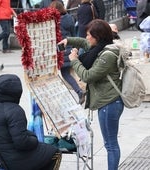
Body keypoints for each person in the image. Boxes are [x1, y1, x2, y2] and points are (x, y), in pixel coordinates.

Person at [58, 19, 124, 170]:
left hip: (110, 103)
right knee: (110, 143)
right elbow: (84, 43)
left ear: (98, 37)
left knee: (111, 144)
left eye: (89, 35)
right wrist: (69, 40)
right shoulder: (100, 46)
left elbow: (88, 76)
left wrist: (74, 61)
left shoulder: (107, 55)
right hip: (107, 102)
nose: (87, 37)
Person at [0, 74, 62, 170]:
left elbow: (8, 133)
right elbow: (22, 143)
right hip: (14, 161)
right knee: (55, 152)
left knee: (42, 151)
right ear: (16, 92)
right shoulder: (14, 110)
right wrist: (35, 139)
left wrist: (29, 135)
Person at [50, 1, 85, 104]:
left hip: (59, 49)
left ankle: (78, 91)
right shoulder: (69, 18)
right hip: (69, 47)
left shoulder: (53, 21)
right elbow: (73, 34)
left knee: (64, 74)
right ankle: (81, 90)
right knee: (70, 72)